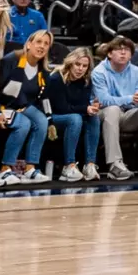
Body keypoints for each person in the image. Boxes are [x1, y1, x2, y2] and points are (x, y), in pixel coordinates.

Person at [91, 36, 138, 179]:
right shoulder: (99, 72)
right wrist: (131, 99)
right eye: (119, 50)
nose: (123, 53)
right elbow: (104, 100)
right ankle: (115, 164)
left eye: (127, 50)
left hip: (128, 115)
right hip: (103, 116)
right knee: (112, 109)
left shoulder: (137, 71)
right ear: (109, 54)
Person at [0, 30, 54, 184]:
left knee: (41, 121)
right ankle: (5, 169)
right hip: (3, 106)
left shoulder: (43, 70)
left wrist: (50, 120)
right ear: (28, 44)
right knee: (24, 124)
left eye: (46, 44)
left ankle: (30, 169)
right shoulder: (11, 60)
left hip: (24, 107)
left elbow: (45, 98)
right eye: (38, 42)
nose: (42, 46)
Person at [47, 46, 103, 181]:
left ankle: (90, 165)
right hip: (53, 117)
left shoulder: (86, 80)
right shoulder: (57, 78)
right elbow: (61, 107)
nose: (80, 69)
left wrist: (91, 108)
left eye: (84, 66)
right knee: (75, 119)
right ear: (70, 63)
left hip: (72, 114)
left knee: (93, 118)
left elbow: (81, 105)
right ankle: (69, 166)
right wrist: (85, 108)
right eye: (77, 64)